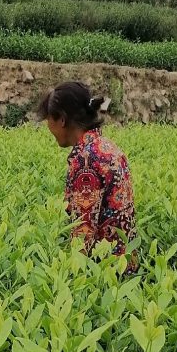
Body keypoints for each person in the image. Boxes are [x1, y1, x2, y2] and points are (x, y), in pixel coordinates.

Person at [38, 81, 137, 268]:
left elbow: (83, 232)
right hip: (126, 265)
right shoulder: (109, 148)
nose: (48, 126)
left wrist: (71, 278)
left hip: (104, 273)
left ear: (62, 120)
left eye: (48, 119)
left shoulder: (86, 161)